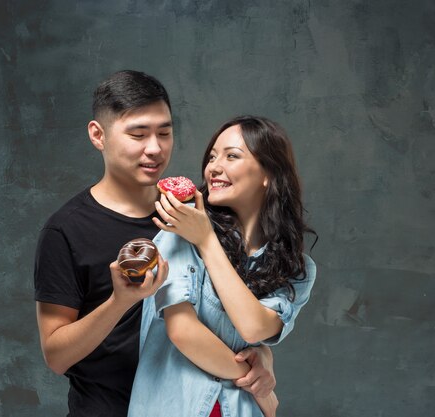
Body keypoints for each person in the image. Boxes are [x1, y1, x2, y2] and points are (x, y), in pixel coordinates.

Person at [34, 71, 277, 417]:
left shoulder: (201, 213)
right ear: (97, 135)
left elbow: (241, 308)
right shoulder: (66, 231)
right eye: (137, 134)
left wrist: (262, 358)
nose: (155, 148)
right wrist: (120, 302)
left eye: (165, 132)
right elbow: (56, 356)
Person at [128, 116, 317, 417]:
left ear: (268, 173)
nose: (214, 167)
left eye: (231, 156)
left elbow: (254, 327)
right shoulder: (183, 224)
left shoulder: (295, 268)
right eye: (212, 156)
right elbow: (183, 332)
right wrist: (261, 387)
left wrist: (206, 242)